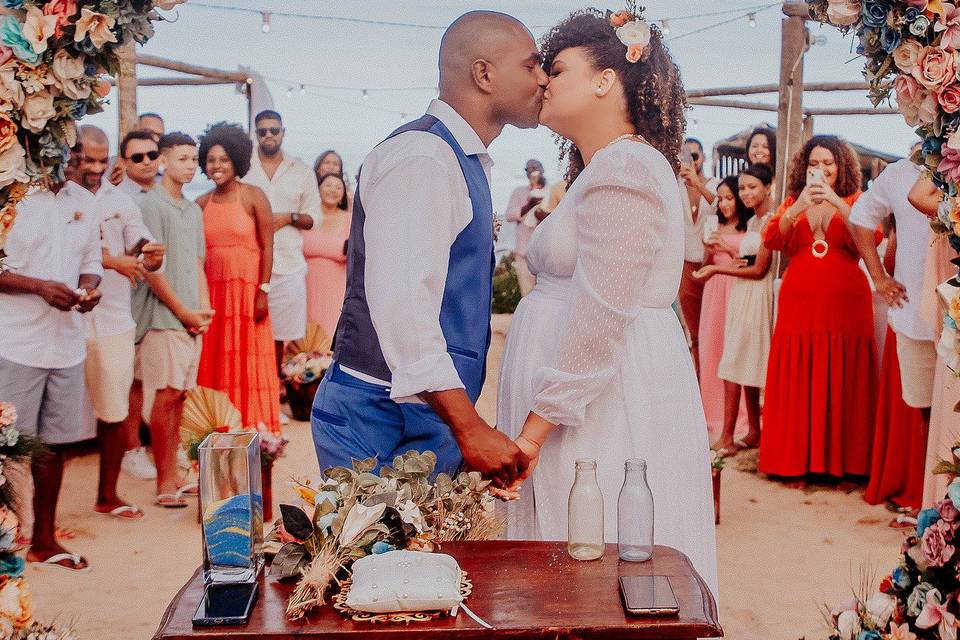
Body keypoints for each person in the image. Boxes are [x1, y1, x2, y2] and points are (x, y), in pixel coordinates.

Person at [496, 8, 718, 597]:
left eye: (557, 69)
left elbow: (601, 313)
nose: (544, 82)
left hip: (604, 402)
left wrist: (531, 436)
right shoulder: (606, 168)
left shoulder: (626, 165)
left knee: (593, 557)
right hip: (587, 397)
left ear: (605, 80)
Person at [310, 10, 544, 485]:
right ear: (484, 74)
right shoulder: (424, 157)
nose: (544, 79)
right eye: (531, 65)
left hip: (420, 413)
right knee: (383, 558)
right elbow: (402, 305)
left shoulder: (460, 157)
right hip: (381, 419)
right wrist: (470, 427)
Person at [759, 135, 877, 483]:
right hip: (800, 300)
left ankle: (845, 464)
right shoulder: (793, 201)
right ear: (804, 168)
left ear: (841, 167)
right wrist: (796, 209)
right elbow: (772, 239)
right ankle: (794, 461)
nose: (821, 170)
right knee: (799, 371)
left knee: (844, 374)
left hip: (847, 303)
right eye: (814, 164)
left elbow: (873, 237)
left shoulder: (856, 201)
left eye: (828, 163)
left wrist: (838, 203)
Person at [0, 176, 103, 571]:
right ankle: (6, 545)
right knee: (6, 447)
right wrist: (39, 287)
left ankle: (43, 540)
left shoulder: (83, 200)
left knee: (54, 445)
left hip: (66, 343)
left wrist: (89, 289)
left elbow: (92, 262)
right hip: (15, 341)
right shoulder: (11, 192)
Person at [77, 125, 165, 520]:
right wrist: (113, 262)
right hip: (63, 321)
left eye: (101, 159)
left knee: (113, 410)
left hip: (113, 317)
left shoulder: (120, 200)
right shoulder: (53, 197)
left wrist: (152, 254)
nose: (94, 167)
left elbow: (139, 244)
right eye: (86, 159)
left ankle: (107, 496)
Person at [132, 132, 213, 508]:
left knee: (181, 396)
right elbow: (151, 270)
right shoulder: (152, 205)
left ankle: (177, 475)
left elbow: (198, 263)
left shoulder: (194, 210)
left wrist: (203, 310)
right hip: (163, 316)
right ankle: (164, 480)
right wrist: (182, 311)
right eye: (182, 158)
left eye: (193, 159)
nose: (190, 165)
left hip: (191, 317)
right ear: (164, 160)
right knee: (165, 396)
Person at [196, 123, 280, 434]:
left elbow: (268, 246)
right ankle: (218, 429)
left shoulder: (253, 196)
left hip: (247, 297)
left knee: (250, 364)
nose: (217, 166)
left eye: (224, 159)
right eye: (212, 160)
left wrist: (263, 291)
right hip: (214, 300)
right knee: (215, 362)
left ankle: (253, 430)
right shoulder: (201, 204)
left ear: (237, 161)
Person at [695, 163, 775, 454]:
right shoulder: (754, 222)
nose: (745, 193)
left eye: (752, 187)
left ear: (768, 186)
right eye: (742, 188)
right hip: (742, 292)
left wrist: (717, 272)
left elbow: (759, 271)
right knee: (740, 362)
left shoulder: (770, 221)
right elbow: (748, 263)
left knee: (732, 363)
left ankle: (727, 437)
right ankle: (753, 430)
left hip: (755, 294)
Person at [243, 110, 322, 404]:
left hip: (289, 262)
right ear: (255, 134)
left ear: (283, 132)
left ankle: (275, 394)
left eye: (273, 130)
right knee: (251, 333)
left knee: (282, 336)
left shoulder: (300, 170)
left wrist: (286, 217)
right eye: (262, 131)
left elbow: (314, 218)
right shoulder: (245, 168)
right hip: (251, 263)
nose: (268, 136)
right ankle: (255, 394)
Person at [851, 150, 936, 419]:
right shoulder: (901, 172)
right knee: (927, 415)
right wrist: (878, 277)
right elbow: (860, 218)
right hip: (916, 317)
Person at [696, 175, 751, 438]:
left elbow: (747, 263)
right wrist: (709, 248)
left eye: (730, 197)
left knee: (732, 349)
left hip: (736, 289)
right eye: (722, 199)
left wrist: (726, 248)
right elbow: (706, 261)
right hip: (714, 290)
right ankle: (709, 410)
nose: (726, 204)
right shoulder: (715, 226)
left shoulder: (749, 227)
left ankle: (734, 416)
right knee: (711, 347)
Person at [677, 137, 719, 377]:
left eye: (695, 156)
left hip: (711, 262)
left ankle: (713, 383)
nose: (690, 161)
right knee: (694, 331)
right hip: (686, 264)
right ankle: (700, 383)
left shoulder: (714, 184)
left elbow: (723, 207)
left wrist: (698, 185)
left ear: (703, 157)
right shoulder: (675, 186)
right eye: (685, 156)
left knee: (712, 329)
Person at [302, 172, 350, 335]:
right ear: (318, 189)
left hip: (336, 290)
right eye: (328, 185)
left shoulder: (350, 219)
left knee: (329, 338)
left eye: (338, 187)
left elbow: (353, 253)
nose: (333, 190)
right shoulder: (306, 218)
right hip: (305, 288)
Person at [505, 159, 549, 296]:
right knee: (527, 292)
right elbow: (509, 215)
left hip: (545, 251)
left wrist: (544, 216)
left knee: (546, 292)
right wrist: (528, 206)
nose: (531, 172)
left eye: (534, 169)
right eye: (528, 170)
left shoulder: (550, 191)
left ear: (541, 171)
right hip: (523, 251)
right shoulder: (519, 192)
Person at [108, 113, 166, 187]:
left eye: (160, 135)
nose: (156, 139)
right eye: (149, 133)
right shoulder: (110, 166)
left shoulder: (166, 174)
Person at [115, 130, 160, 203]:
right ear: (124, 162)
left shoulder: (174, 186)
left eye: (152, 155)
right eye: (137, 158)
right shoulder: (117, 198)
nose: (147, 162)